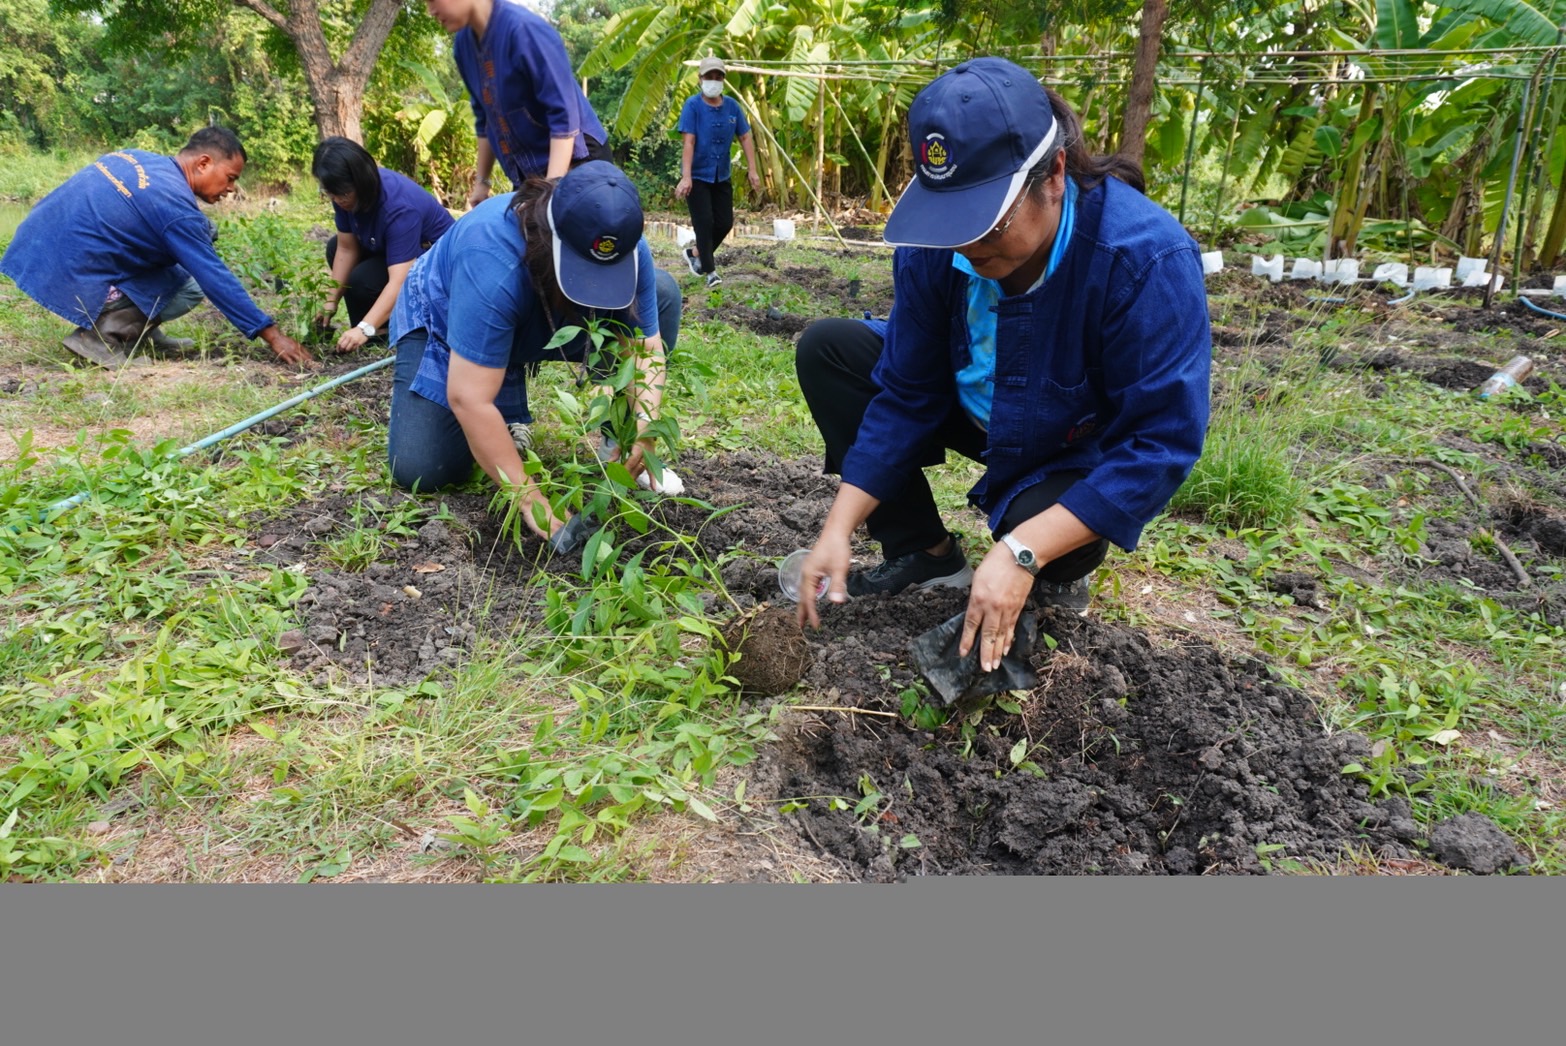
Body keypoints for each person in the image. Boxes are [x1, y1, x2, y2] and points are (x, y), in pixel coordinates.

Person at [793, 58, 1211, 676]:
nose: (969, 244)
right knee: (830, 349)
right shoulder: (938, 248)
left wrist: (1022, 550)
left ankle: (1051, 564)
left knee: (1030, 525)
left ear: (1056, 175)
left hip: (1065, 445)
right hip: (976, 409)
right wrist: (839, 526)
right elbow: (906, 392)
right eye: (954, 221)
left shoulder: (1143, 259)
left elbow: (1160, 442)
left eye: (989, 220)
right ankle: (926, 553)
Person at [386, 161, 684, 530]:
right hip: (449, 315)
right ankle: (494, 380)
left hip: (545, 311)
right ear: (551, 237)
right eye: (585, 272)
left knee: (664, 292)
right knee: (423, 466)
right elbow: (467, 397)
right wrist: (530, 499)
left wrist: (645, 424)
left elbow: (646, 350)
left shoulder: (619, 237)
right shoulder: (491, 259)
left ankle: (616, 441)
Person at [0, 126, 313, 368]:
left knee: (192, 239)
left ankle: (143, 334)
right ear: (203, 163)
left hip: (36, 250)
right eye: (230, 177)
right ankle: (101, 340)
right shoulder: (174, 206)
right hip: (66, 272)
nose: (232, 189)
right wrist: (273, 336)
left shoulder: (136, 157)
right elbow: (213, 276)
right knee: (188, 284)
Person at [425, 0, 612, 207]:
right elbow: (485, 120)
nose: (430, 11)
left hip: (580, 160)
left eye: (432, 0)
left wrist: (550, 193)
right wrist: (482, 184)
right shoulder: (463, 47)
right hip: (530, 176)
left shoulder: (525, 30)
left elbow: (564, 116)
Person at [311, 137, 455, 353]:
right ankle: (366, 329)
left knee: (362, 279)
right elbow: (346, 248)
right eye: (330, 194)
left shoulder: (398, 207)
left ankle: (382, 330)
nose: (337, 200)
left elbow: (400, 281)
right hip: (395, 251)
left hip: (437, 268)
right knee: (334, 248)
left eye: (342, 194)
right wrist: (330, 300)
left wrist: (365, 328)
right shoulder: (343, 192)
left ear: (360, 182)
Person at [674, 56, 762, 289]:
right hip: (698, 175)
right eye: (709, 77)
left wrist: (753, 170)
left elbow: (745, 137)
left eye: (718, 77)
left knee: (724, 223)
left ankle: (695, 253)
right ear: (700, 79)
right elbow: (689, 142)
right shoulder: (693, 106)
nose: (713, 81)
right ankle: (710, 272)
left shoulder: (732, 106)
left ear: (723, 79)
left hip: (721, 174)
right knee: (704, 222)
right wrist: (686, 176)